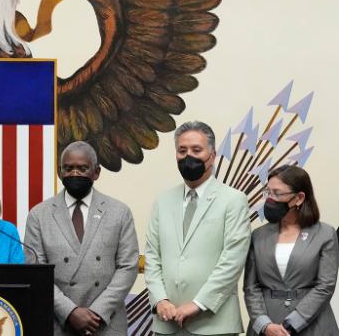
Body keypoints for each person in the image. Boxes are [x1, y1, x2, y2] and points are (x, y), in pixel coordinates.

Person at [144, 120, 251, 335]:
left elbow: (232, 260)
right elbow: (152, 256)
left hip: (213, 323)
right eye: (182, 150)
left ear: (212, 156)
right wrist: (160, 300)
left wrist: (198, 304)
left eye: (196, 150)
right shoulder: (162, 201)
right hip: (167, 323)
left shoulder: (233, 200)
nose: (188, 156)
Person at [24, 141, 138, 335]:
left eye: (82, 168)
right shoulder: (39, 215)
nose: (74, 174)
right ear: (60, 172)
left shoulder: (119, 212)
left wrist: (97, 312)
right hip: (58, 324)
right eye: (68, 168)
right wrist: (70, 312)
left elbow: (128, 266)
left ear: (96, 172)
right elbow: (37, 272)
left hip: (106, 323)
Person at [244, 165, 338, 335]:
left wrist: (292, 323)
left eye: (277, 193)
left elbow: (325, 286)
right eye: (268, 192)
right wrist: (264, 325)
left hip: (314, 326)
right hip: (267, 326)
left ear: (299, 198)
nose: (270, 199)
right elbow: (251, 287)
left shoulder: (325, 234)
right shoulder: (258, 235)